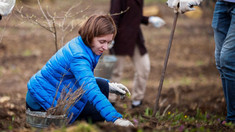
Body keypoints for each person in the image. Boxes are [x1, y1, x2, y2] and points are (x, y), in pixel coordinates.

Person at [26, 14, 134, 127]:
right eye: (102, 42)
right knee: (95, 107)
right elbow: (91, 89)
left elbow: (82, 78)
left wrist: (110, 86)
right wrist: (116, 119)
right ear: (91, 36)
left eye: (109, 42)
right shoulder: (79, 56)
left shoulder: (83, 45)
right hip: (41, 101)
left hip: (55, 92)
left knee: (102, 85)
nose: (106, 47)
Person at [167, 0, 235, 124]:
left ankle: (233, 118)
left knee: (227, 58)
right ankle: (231, 115)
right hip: (223, 3)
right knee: (221, 61)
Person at [109, 0, 166, 108]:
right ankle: (110, 102)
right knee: (115, 72)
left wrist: (149, 19)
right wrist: (110, 36)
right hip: (120, 38)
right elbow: (114, 16)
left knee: (144, 68)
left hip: (135, 38)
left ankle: (137, 102)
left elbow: (134, 16)